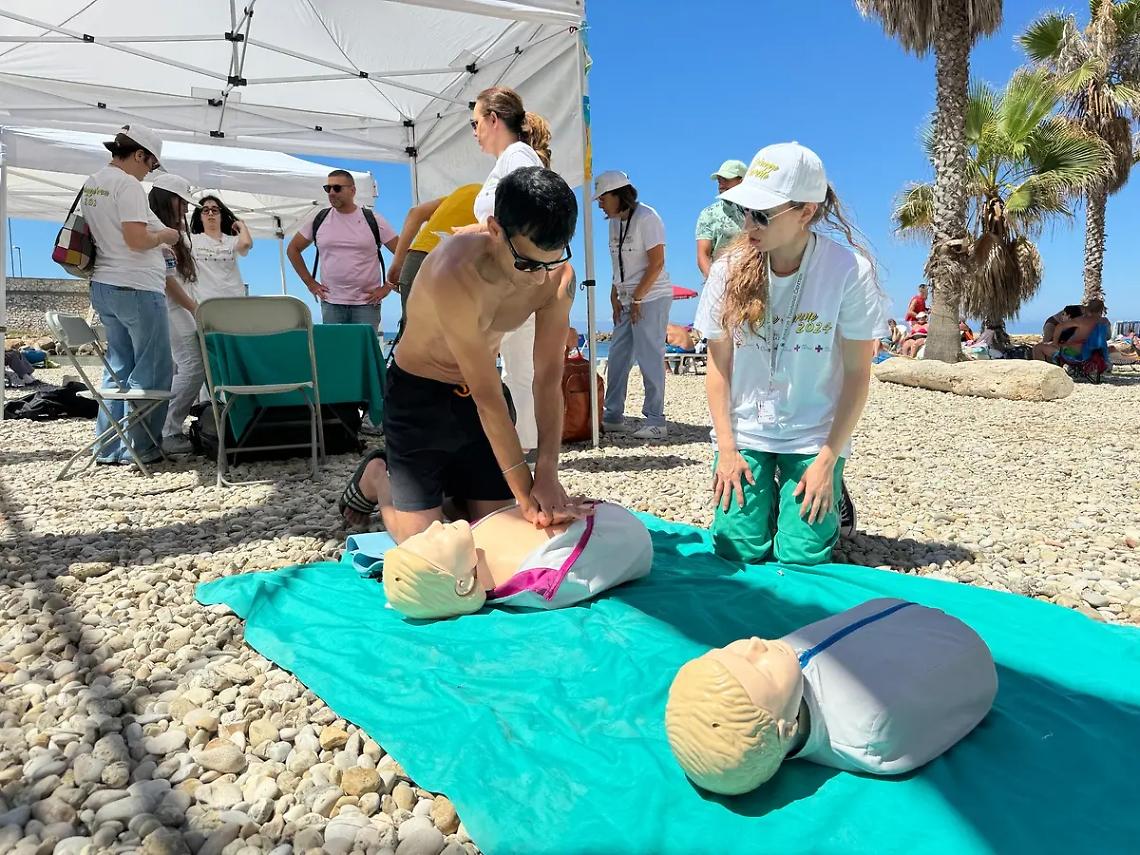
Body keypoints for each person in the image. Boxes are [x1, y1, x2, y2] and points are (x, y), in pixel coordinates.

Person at [337, 167, 582, 542]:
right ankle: (377, 478)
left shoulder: (558, 278)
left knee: (496, 530)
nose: (539, 278)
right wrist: (528, 497)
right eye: (528, 263)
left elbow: (547, 376)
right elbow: (489, 399)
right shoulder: (455, 270)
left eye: (551, 261)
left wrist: (547, 473)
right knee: (425, 544)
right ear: (496, 230)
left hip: (475, 396)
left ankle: (446, 487)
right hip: (418, 394)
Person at [694, 142, 887, 566]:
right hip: (747, 431)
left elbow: (858, 374)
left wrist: (828, 458)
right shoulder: (727, 270)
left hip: (813, 435)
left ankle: (832, 495)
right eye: (744, 211)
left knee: (801, 557)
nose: (749, 223)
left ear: (806, 212)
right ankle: (767, 503)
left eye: (762, 214)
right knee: (735, 548)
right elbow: (718, 365)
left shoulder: (849, 271)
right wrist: (726, 449)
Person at [664, 599, 997, 795]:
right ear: (785, 730)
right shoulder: (871, 729)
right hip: (963, 646)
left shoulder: (780, 657)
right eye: (759, 670)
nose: (752, 643)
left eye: (728, 652)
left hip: (897, 611)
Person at [458, 86, 555, 453]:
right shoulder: (513, 158)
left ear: (493, 120)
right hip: (508, 278)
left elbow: (527, 216)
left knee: (505, 366)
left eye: (475, 123)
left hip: (512, 280)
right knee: (513, 367)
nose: (474, 132)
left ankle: (517, 447)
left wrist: (476, 229)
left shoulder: (517, 156)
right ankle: (521, 445)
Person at [82, 125, 180, 465]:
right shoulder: (127, 185)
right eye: (151, 165)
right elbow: (137, 240)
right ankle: (141, 448)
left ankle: (108, 447)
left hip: (104, 284)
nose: (149, 171)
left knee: (118, 367)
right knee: (152, 368)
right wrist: (165, 234)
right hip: (135, 284)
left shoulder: (93, 182)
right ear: (140, 155)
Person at [379, 502, 652, 619]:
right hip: (619, 528)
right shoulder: (543, 579)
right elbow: (624, 539)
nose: (434, 527)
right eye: (430, 542)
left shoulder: (469, 542)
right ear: (461, 584)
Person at [596, 171, 673, 441]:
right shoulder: (614, 223)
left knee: (649, 355)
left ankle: (655, 420)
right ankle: (613, 414)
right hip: (628, 298)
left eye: (603, 197)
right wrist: (615, 293)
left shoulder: (647, 218)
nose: (599, 204)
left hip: (651, 297)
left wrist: (638, 296)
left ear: (619, 194)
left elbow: (657, 263)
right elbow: (618, 262)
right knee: (617, 357)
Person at [286, 170, 398, 330]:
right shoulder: (320, 219)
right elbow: (293, 249)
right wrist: (310, 283)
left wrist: (388, 286)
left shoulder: (372, 219)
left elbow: (403, 253)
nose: (331, 193)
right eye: (328, 188)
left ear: (352, 191)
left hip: (366, 304)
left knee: (362, 352)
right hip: (331, 303)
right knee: (335, 352)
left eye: (337, 188)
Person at [148, 175, 203, 454]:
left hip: (176, 307)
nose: (185, 209)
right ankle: (168, 429)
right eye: (182, 202)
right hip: (173, 308)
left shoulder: (165, 230)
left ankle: (162, 427)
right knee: (194, 365)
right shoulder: (160, 232)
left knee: (182, 367)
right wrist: (195, 308)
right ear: (169, 199)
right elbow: (168, 281)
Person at [385, 184, 481, 319]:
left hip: (416, 259)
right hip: (452, 265)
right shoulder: (504, 201)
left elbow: (416, 213)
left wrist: (398, 263)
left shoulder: (469, 190)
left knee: (414, 331)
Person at [188, 194, 251, 301]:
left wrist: (242, 225)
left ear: (221, 215)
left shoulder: (232, 241)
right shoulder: (192, 240)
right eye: (205, 210)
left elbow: (246, 244)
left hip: (234, 300)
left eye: (215, 210)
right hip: (205, 302)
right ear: (200, 216)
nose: (210, 213)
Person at [695, 160, 747, 279]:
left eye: (726, 180)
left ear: (742, 181)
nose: (721, 184)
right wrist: (715, 283)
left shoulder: (758, 211)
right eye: (719, 180)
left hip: (755, 282)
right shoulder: (709, 214)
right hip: (722, 281)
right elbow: (703, 255)